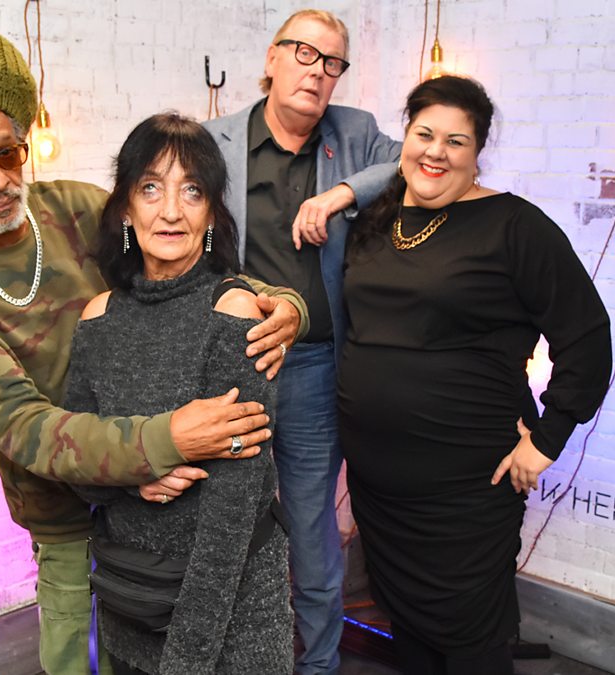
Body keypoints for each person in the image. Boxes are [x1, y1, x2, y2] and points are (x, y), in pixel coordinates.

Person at [0, 27, 307, 675]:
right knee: (72, 652)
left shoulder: (73, 207)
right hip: (67, 507)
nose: (0, 179)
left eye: (8, 154)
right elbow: (23, 425)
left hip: (172, 503)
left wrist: (280, 302)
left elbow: (178, 258)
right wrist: (160, 443)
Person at [338, 75, 613, 675]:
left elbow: (587, 337)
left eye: (455, 141)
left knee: (470, 633)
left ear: (477, 151)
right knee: (406, 624)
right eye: (424, 134)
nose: (436, 152)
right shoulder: (377, 220)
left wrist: (548, 440)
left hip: (466, 485)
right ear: (406, 137)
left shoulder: (514, 226)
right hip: (380, 483)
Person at [202, 11, 400, 672]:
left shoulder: (355, 133)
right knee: (229, 524)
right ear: (272, 58)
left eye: (332, 62)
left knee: (314, 534)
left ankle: (318, 664)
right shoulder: (214, 142)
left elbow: (412, 163)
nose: (317, 72)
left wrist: (341, 192)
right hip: (236, 366)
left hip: (314, 368)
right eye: (305, 54)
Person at [66, 112, 293, 675]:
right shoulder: (98, 318)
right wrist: (132, 472)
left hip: (231, 615)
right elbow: (77, 468)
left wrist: (186, 660)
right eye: (151, 188)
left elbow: (233, 512)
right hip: (130, 596)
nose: (171, 210)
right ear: (125, 207)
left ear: (212, 213)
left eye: (191, 190)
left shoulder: (233, 311)